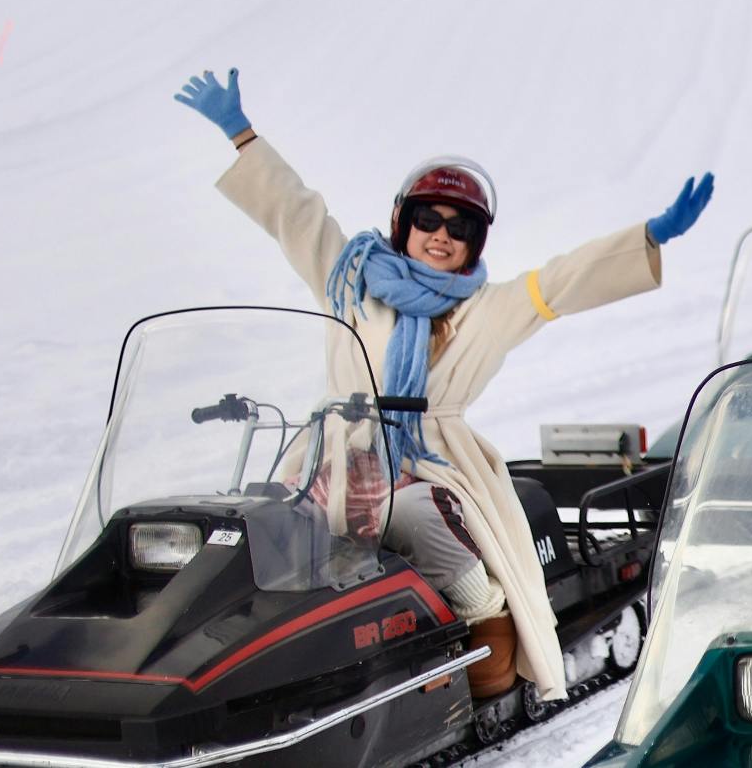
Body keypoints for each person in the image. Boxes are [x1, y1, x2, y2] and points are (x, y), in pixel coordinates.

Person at [173, 68, 714, 701]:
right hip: (340, 450)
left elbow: (562, 281)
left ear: (474, 242)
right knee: (270, 529)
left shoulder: (485, 309)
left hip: (430, 461)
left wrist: (650, 237)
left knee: (418, 518)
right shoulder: (349, 274)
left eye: (459, 228)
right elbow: (297, 215)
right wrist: (241, 133)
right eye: (429, 218)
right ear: (403, 221)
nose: (441, 235)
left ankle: (486, 643)